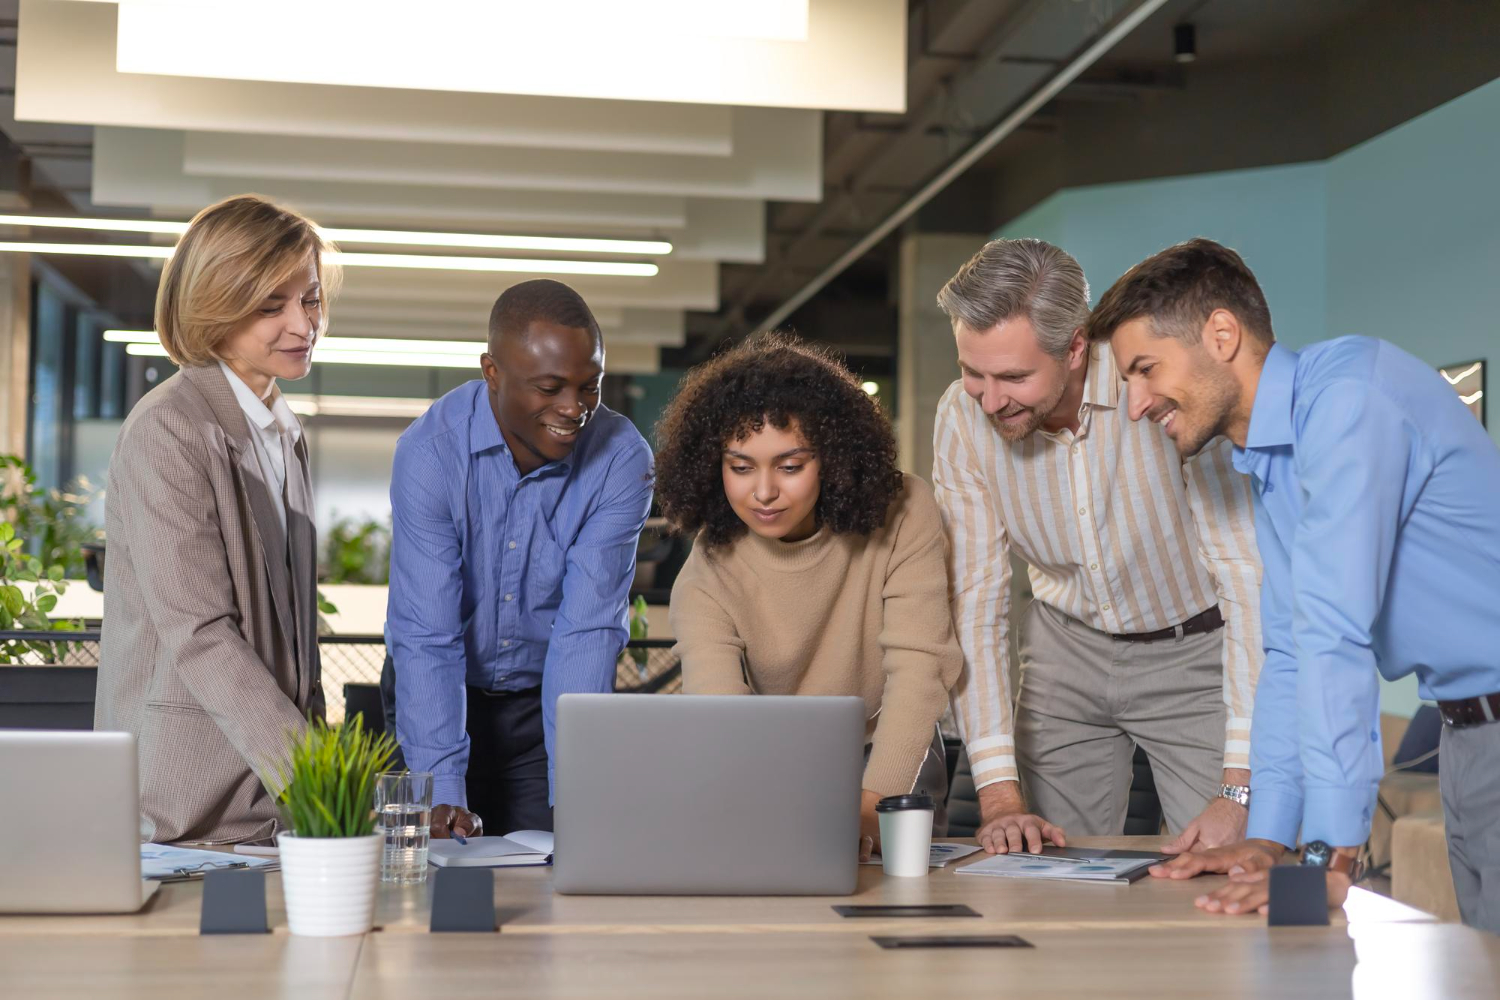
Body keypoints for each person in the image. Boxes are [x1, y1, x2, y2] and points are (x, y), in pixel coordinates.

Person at [1091, 238, 1500, 933]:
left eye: (1145, 369)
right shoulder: (1272, 460)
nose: (1135, 404)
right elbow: (1287, 651)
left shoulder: (1347, 400)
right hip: (1469, 738)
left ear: (1222, 335)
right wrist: (1269, 837)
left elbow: (1333, 633)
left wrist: (1328, 855)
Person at [931, 239, 1264, 856]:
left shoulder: (1161, 383)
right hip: (1063, 653)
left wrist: (1240, 785)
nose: (990, 399)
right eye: (973, 372)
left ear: (1076, 348)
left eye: (1014, 377)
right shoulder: (961, 418)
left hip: (1194, 653)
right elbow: (975, 602)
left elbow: (1246, 575)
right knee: (1047, 868)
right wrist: (1000, 796)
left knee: (1216, 862)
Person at [657, 334, 962, 860]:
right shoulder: (709, 568)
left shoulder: (905, 511)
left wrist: (874, 804)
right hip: (771, 762)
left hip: (892, 747)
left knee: (895, 892)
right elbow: (721, 713)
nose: (764, 492)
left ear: (834, 457)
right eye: (741, 467)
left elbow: (919, 669)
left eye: (790, 466)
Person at [97, 195, 333, 844]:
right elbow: (200, 631)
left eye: (310, 299)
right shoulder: (169, 427)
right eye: (271, 306)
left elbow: (293, 633)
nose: (303, 324)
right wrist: (319, 778)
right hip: (188, 802)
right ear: (214, 306)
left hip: (273, 804)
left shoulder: (282, 431)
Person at [386, 279, 653, 840]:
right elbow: (428, 634)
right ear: (492, 372)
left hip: (541, 706)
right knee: (434, 864)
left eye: (590, 386)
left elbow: (587, 632)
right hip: (434, 695)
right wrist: (442, 788)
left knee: (557, 859)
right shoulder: (430, 453)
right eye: (550, 388)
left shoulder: (620, 459)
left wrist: (579, 788)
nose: (573, 408)